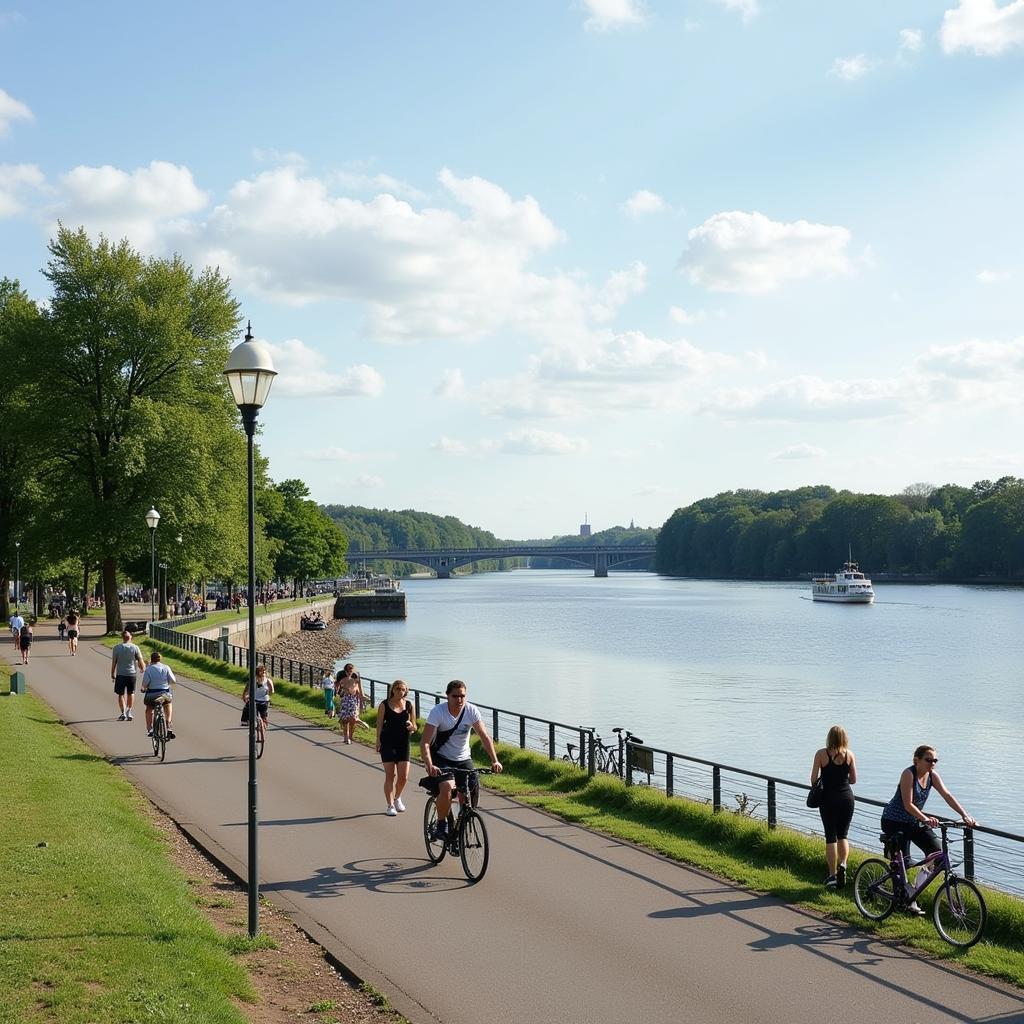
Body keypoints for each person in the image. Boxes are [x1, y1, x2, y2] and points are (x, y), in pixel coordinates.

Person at [881, 744, 977, 915]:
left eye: (935, 761)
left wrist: (964, 815)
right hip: (894, 821)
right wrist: (925, 818)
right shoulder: (908, 774)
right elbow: (908, 804)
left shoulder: (932, 776)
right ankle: (899, 899)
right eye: (928, 760)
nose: (932, 763)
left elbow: (947, 795)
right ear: (916, 760)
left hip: (914, 821)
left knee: (937, 853)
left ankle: (913, 891)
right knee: (902, 864)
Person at [421, 679, 502, 839]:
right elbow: (424, 742)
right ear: (447, 696)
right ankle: (441, 823)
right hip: (442, 759)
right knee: (447, 789)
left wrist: (495, 760)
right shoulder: (438, 712)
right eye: (455, 696)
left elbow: (484, 737)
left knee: (469, 793)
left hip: (463, 758)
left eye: (462, 696)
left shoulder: (471, 711)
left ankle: (461, 824)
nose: (459, 699)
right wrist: (429, 764)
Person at [809, 725, 857, 888]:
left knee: (831, 836)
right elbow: (854, 779)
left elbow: (813, 779)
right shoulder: (849, 755)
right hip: (847, 798)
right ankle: (843, 864)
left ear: (829, 738)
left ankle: (832, 875)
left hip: (828, 799)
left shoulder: (821, 754)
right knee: (843, 835)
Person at [376, 679, 416, 816]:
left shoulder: (409, 705)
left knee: (403, 776)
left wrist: (412, 727)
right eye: (398, 688)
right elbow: (379, 724)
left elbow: (415, 726)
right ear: (393, 689)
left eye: (403, 689)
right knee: (390, 775)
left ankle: (397, 797)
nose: (400, 691)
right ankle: (390, 805)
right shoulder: (384, 705)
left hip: (404, 743)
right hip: (387, 742)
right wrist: (378, 740)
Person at [110, 629, 146, 722]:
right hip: (131, 674)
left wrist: (112, 673)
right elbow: (140, 660)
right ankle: (129, 711)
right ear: (130, 637)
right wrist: (143, 668)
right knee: (131, 693)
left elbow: (114, 662)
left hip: (121, 674)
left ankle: (123, 712)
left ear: (122, 637)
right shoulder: (135, 647)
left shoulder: (117, 647)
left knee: (120, 694)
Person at [142, 651, 177, 739]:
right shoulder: (166, 667)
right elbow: (173, 680)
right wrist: (169, 686)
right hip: (165, 694)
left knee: (149, 709)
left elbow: (145, 684)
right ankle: (168, 725)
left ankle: (150, 729)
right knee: (168, 704)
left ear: (151, 659)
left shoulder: (149, 669)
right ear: (160, 659)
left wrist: (143, 689)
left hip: (152, 694)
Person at [242, 663, 274, 741]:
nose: (263, 673)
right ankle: (261, 725)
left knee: (249, 710)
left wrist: (245, 697)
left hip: (257, 700)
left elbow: (246, 691)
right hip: (263, 700)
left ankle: (246, 721)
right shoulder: (267, 681)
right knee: (262, 716)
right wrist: (268, 695)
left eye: (264, 671)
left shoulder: (253, 680)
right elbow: (271, 691)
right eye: (262, 671)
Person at [337, 664, 366, 744]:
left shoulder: (356, 676)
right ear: (345, 671)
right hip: (345, 699)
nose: (350, 673)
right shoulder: (341, 677)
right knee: (346, 719)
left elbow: (360, 687)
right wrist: (341, 690)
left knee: (353, 718)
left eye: (351, 671)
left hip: (354, 699)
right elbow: (337, 687)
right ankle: (346, 737)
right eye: (348, 672)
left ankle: (350, 736)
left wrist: (362, 698)